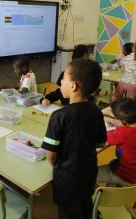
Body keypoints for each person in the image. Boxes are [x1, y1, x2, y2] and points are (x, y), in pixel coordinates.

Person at [41, 58, 107, 219]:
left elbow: (51, 155)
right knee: (86, 204)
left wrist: (60, 167)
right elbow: (101, 141)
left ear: (73, 86)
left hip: (66, 179)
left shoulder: (58, 116)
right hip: (89, 173)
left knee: (68, 213)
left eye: (63, 78)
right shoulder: (97, 111)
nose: (61, 81)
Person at [97, 98, 136, 187]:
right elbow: (129, 129)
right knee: (112, 163)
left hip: (126, 176)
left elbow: (100, 136)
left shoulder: (123, 133)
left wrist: (102, 111)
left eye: (115, 118)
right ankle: (113, 187)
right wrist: (117, 122)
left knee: (87, 174)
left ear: (123, 122)